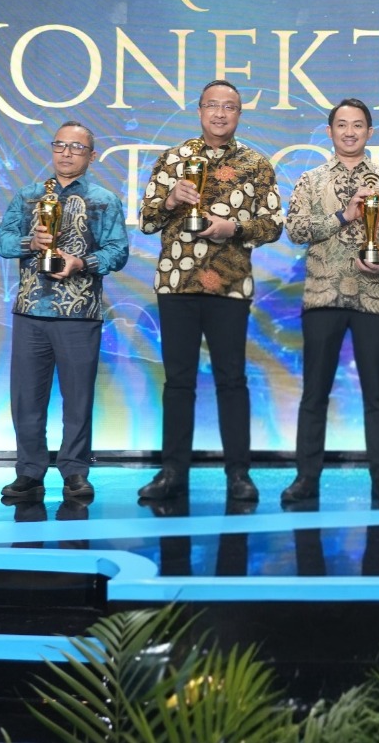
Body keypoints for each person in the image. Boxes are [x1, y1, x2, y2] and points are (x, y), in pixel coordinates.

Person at [136, 80, 283, 503]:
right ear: (199, 110)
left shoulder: (256, 163)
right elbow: (146, 221)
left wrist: (233, 228)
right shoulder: (174, 158)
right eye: (212, 106)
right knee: (178, 382)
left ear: (239, 114)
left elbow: (273, 224)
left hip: (230, 285)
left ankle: (239, 474)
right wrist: (169, 201)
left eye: (229, 107)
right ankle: (172, 473)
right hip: (177, 282)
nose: (220, 113)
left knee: (232, 381)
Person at [280, 99, 379, 508]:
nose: (350, 132)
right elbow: (296, 230)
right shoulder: (311, 179)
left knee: (377, 394)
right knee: (314, 393)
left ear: (370, 133)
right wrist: (343, 215)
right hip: (323, 295)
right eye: (342, 125)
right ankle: (306, 478)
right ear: (330, 132)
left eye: (358, 125)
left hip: (373, 298)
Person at [0, 122, 131, 504]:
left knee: (78, 398)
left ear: (92, 155)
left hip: (79, 312)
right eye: (60, 145)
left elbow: (118, 251)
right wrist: (30, 241)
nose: (67, 153)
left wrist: (81, 262)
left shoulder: (104, 200)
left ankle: (75, 471)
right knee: (26, 398)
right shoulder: (28, 196)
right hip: (31, 310)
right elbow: (2, 241)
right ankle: (29, 472)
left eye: (77, 147)